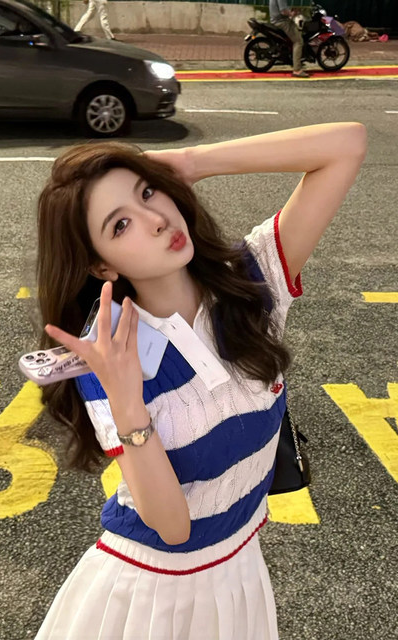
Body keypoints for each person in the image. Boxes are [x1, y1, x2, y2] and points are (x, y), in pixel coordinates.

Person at [33, 122, 366, 639]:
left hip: (240, 568)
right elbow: (172, 527)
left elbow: (347, 144)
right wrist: (125, 399)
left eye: (148, 192)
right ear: (101, 265)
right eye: (121, 225)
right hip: (154, 592)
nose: (156, 220)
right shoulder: (112, 355)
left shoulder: (252, 281)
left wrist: (194, 163)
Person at [269, 0, 309, 78]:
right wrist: (292, 13)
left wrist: (291, 11)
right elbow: (283, 11)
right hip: (282, 22)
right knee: (298, 41)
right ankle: (297, 70)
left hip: (278, 20)